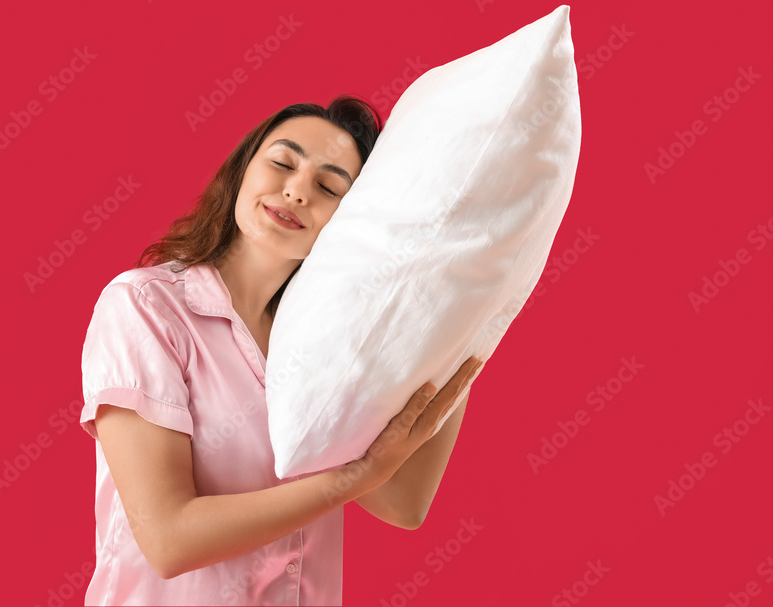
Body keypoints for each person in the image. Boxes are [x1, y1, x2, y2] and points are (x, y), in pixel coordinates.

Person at [78, 95, 482, 605]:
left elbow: (403, 503)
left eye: (328, 187)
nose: (295, 192)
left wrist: (467, 310)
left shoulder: (332, 346)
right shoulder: (146, 308)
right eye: (282, 163)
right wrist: (353, 478)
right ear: (243, 170)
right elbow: (167, 538)